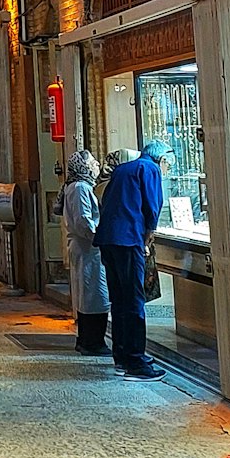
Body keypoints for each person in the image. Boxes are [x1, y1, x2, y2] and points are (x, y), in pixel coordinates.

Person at [93, 139, 169, 381]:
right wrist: (149, 235)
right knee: (134, 299)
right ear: (162, 159)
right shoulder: (150, 169)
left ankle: (122, 356)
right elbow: (152, 205)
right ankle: (136, 362)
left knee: (119, 299)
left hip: (108, 238)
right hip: (128, 240)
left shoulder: (123, 168)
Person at [61, 150, 109, 355]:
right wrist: (98, 236)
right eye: (92, 162)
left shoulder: (80, 186)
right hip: (88, 248)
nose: (97, 165)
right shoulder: (80, 187)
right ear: (83, 166)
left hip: (87, 248)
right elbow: (83, 219)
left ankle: (88, 339)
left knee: (89, 293)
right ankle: (92, 341)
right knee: (93, 294)